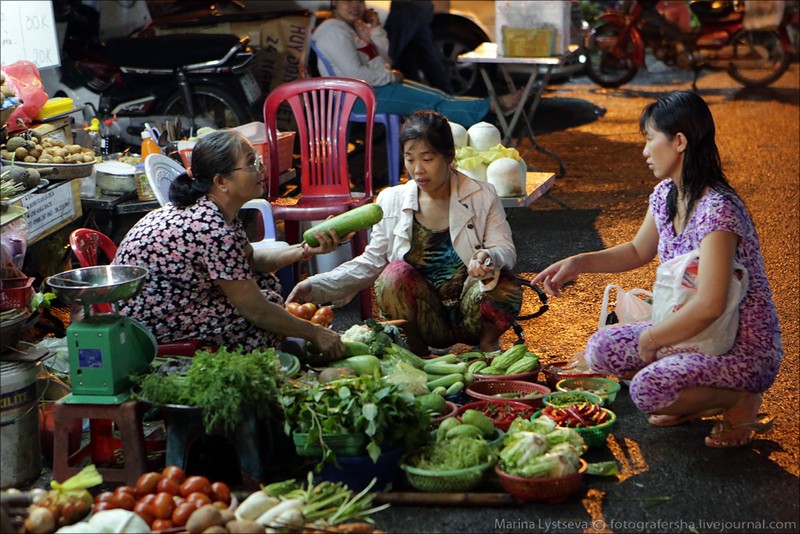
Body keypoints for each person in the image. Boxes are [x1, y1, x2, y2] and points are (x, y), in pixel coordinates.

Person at [532, 91, 782, 448]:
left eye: (650, 140)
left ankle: (738, 398)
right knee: (602, 348)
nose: (645, 151)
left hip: (737, 347)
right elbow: (637, 250)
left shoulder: (717, 210)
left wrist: (653, 338)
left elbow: (711, 305)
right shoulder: (667, 194)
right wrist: (578, 263)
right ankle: (691, 393)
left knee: (646, 390)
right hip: (688, 334)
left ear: (679, 142)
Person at [288, 110, 523, 355]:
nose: (418, 169)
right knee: (393, 275)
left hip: (470, 311)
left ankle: (488, 345)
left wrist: (489, 257)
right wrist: (316, 286)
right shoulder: (391, 200)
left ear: (449, 156)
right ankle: (418, 352)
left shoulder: (482, 194)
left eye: (428, 159)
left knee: (504, 281)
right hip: (423, 319)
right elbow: (371, 263)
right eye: (410, 159)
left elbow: (505, 248)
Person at [113, 130, 346, 360]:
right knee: (260, 312)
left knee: (264, 283)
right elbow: (254, 309)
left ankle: (274, 349)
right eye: (251, 163)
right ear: (221, 181)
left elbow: (250, 260)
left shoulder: (216, 210)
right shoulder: (211, 229)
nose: (261, 168)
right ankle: (258, 362)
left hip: (172, 300)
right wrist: (314, 332)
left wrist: (303, 250)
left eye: (258, 160)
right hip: (146, 322)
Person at [312, 0, 522, 127]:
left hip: (373, 89)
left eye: (359, 1)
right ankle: (492, 108)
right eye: (348, 1)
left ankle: (487, 110)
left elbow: (384, 60)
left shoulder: (351, 28)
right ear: (334, 3)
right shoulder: (333, 31)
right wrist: (391, 76)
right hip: (358, 97)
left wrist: (375, 30)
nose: (356, 6)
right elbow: (357, 75)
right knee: (432, 105)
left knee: (438, 96)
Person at [383, 0, 454, 94]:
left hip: (406, 6)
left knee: (388, 55)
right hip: (421, 5)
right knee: (420, 55)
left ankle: (379, 93)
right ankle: (446, 94)